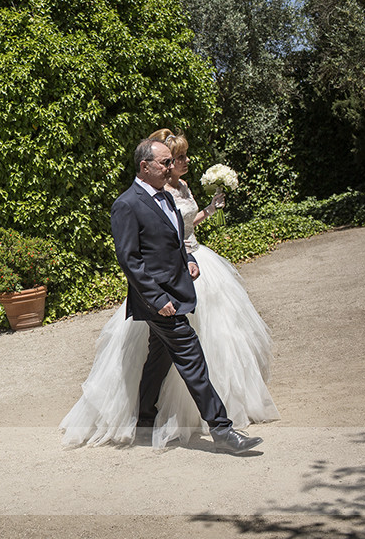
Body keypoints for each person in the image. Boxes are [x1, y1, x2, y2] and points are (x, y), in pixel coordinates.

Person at [60, 136, 271, 454]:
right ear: (144, 166)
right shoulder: (126, 204)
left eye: (172, 162)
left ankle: (145, 417)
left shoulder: (167, 198)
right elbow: (130, 260)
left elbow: (176, 240)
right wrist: (158, 300)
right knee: (192, 358)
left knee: (157, 360)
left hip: (177, 291)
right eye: (165, 162)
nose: (172, 167)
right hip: (156, 301)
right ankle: (223, 431)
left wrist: (189, 260)